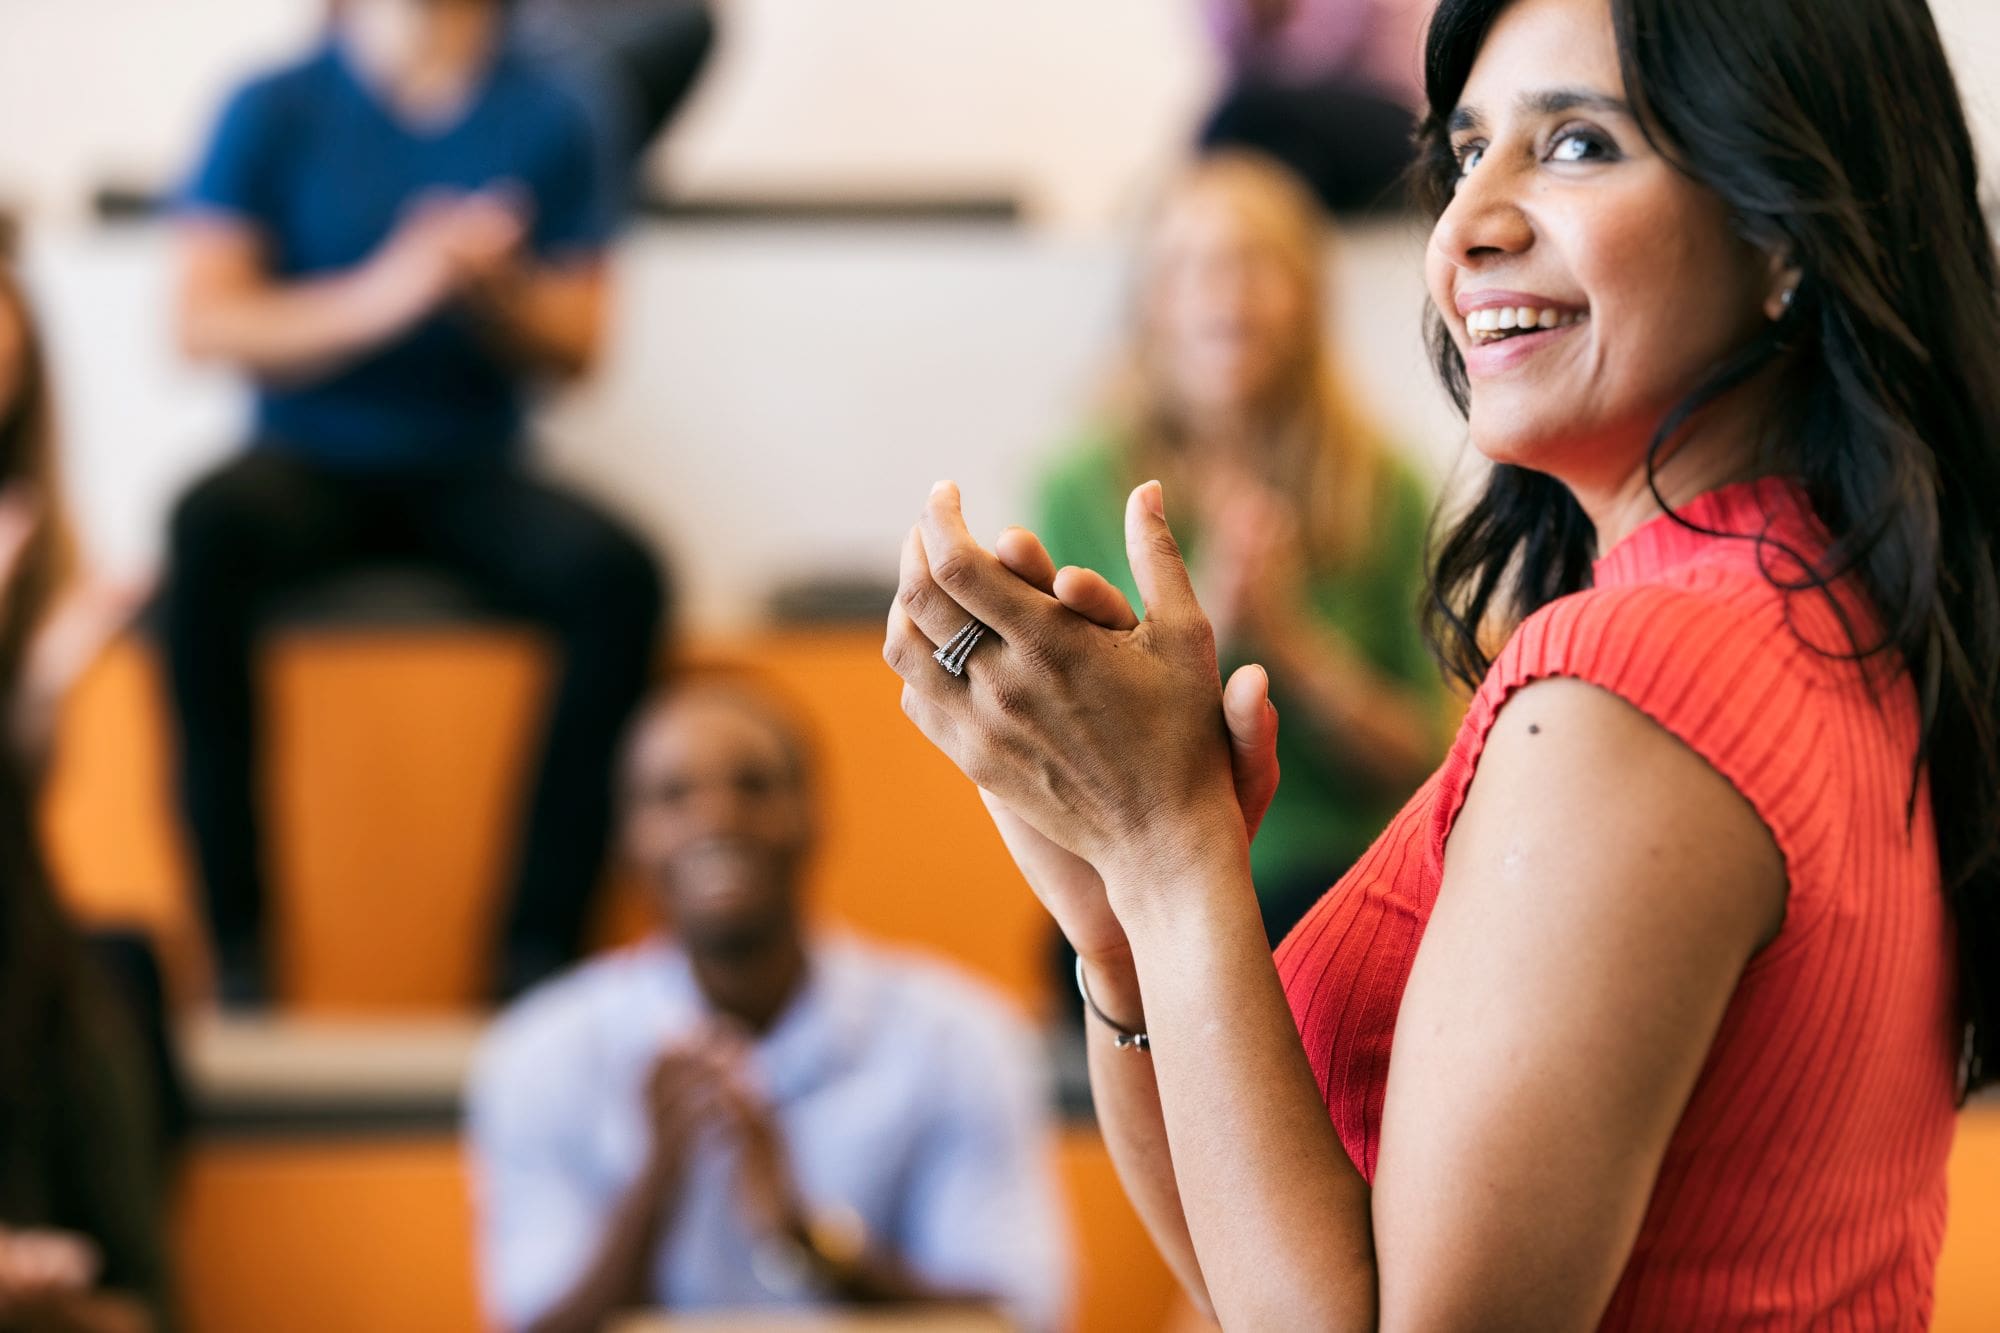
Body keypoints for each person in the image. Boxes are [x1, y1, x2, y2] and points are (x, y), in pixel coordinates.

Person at [885, 0, 2000, 1324]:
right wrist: (1124, 923)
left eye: (1578, 145)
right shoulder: (1821, 610)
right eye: (1468, 153)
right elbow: (1255, 1280)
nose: (1469, 224)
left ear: (1785, 233)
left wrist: (1175, 852)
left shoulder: (1643, 681)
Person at [166, 0, 668, 1004]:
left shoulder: (558, 108)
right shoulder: (271, 105)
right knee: (203, 532)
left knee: (621, 576)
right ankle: (240, 955)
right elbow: (203, 320)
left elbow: (578, 346)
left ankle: (537, 956)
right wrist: (388, 290)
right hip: (302, 459)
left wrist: (490, 287)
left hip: (470, 464)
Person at [466, 682, 1068, 1333]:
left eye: (753, 785)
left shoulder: (958, 1036)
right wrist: (657, 1180)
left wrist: (806, 1239)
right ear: (627, 839)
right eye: (672, 795)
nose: (717, 817)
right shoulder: (539, 1053)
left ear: (814, 814)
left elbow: (1015, 1319)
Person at [1037, 152, 1442, 947]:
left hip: (1338, 874)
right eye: (1191, 268)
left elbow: (1420, 757)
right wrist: (1213, 614)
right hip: (1148, 868)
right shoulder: (1081, 482)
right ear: (1150, 301)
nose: (1225, 295)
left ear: (1307, 298)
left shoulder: (1383, 483)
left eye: (1255, 266)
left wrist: (1293, 640)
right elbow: (1077, 748)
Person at [0, 267, 172, 1333]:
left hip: (17, 908)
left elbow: (19, 796)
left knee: (113, 981)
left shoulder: (36, 530)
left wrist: (50, 678)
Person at [1198, 0, 1431, 214]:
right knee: (1248, 134)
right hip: (1312, 131)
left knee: (1239, 114)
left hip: (1390, 114)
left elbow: (1318, 63)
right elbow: (1234, 66)